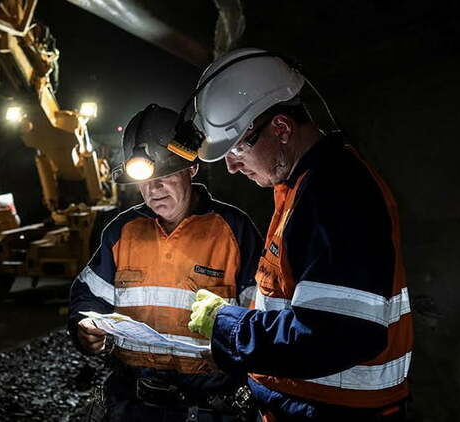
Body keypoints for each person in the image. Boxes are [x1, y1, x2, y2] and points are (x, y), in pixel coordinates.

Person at [184, 48, 413, 421]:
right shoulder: (299, 187)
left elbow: (336, 333)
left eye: (238, 147)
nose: (231, 165)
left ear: (282, 129)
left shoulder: (336, 192)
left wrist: (227, 324)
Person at [68, 104, 262, 421]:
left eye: (166, 175)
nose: (154, 189)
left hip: (209, 410)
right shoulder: (122, 231)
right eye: (144, 181)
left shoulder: (234, 231)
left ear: (191, 168)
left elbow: (262, 321)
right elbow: (88, 295)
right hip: (134, 406)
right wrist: (84, 328)